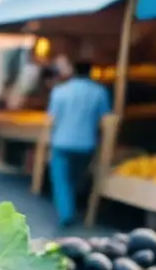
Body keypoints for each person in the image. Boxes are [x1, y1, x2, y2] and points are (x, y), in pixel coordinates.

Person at [47, 60, 111, 227]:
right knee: (76, 178)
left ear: (73, 71)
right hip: (86, 143)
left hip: (61, 141)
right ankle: (72, 206)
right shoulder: (99, 91)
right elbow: (105, 119)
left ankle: (66, 213)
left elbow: (52, 119)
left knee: (61, 179)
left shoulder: (59, 91)